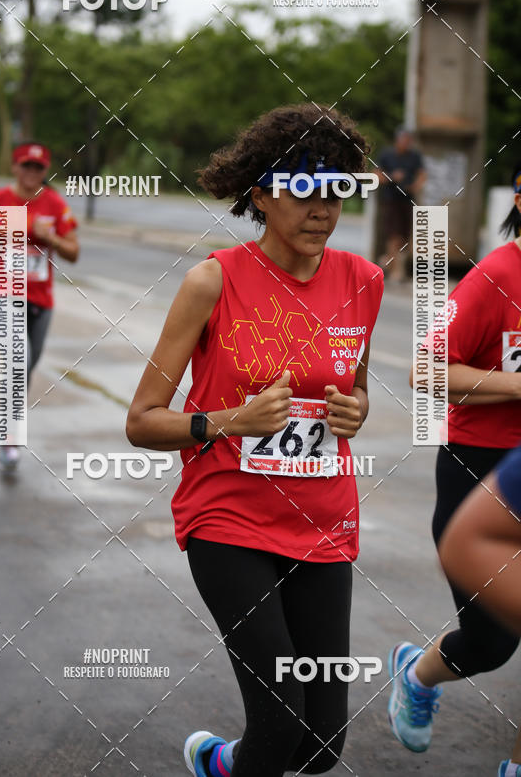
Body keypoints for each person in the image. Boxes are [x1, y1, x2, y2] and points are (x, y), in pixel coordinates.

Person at [126, 103, 384, 776]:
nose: (322, 208)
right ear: (263, 194)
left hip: (323, 522)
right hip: (229, 519)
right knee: (279, 718)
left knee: (322, 747)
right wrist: (226, 422)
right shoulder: (213, 281)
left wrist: (356, 411)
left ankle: (218, 764)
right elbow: (143, 419)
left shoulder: (363, 282)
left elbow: (353, 391)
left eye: (337, 190)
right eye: (303, 189)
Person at [387, 164, 521, 777]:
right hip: (483, 477)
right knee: (492, 644)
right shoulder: (497, 275)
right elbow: (427, 373)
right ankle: (418, 673)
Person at [0, 142, 79, 469]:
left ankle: (6, 421)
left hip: (40, 300)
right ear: (15, 167)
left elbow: (73, 252)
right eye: (26, 166)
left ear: (45, 171)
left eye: (38, 168)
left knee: (23, 369)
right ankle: (9, 438)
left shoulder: (55, 205)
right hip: (0, 292)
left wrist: (52, 238)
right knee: (19, 359)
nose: (32, 173)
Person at [439, 443, 521, 638]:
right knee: (488, 644)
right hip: (471, 454)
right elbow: (432, 413)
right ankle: (412, 668)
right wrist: (430, 435)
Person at [375, 127, 425, 282]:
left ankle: (388, 260)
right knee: (393, 235)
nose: (406, 142)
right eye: (403, 139)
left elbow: (422, 175)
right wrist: (392, 177)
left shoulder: (414, 156)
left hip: (408, 199)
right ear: (397, 140)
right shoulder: (387, 155)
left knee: (405, 236)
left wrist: (415, 186)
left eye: (408, 140)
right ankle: (396, 269)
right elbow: (376, 175)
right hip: (391, 199)